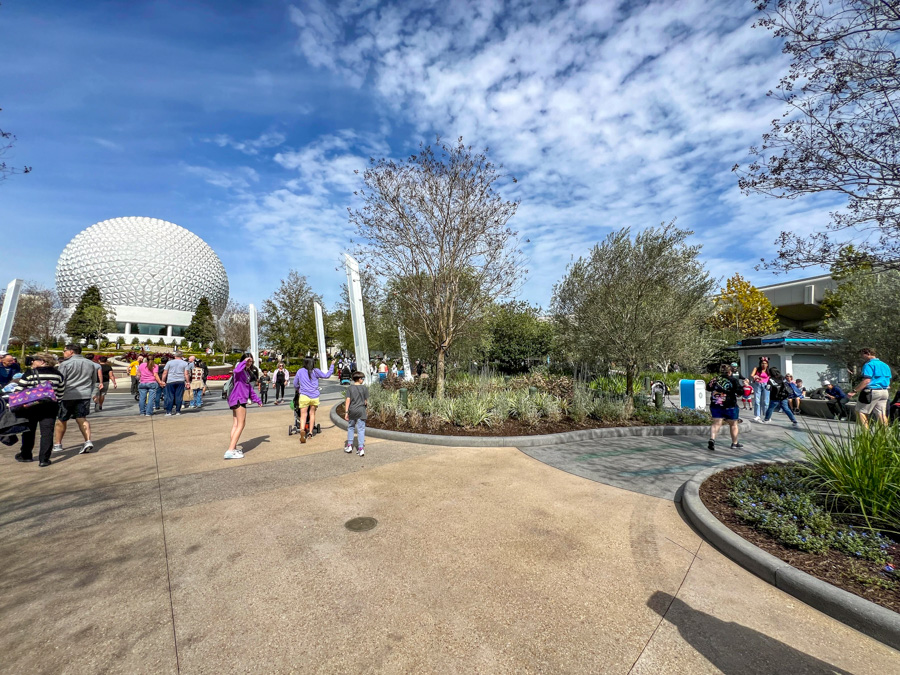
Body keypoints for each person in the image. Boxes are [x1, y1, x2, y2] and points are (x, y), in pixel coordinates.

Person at [13, 352, 65, 467]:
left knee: (29, 431)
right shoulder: (58, 374)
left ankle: (26, 455)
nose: (32, 362)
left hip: (30, 407)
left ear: (42, 361)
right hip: (50, 407)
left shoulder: (30, 373)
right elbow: (60, 393)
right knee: (47, 433)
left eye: (34, 360)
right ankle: (44, 459)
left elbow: (18, 390)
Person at [54, 344, 101, 455]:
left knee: (61, 419)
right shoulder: (91, 364)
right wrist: (92, 393)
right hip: (84, 394)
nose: (63, 353)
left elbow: (61, 381)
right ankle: (88, 440)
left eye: (64, 351)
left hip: (67, 395)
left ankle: (58, 444)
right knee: (82, 418)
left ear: (71, 352)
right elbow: (93, 380)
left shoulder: (65, 364)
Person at [224, 353, 262, 460]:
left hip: (237, 399)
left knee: (236, 424)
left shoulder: (246, 373)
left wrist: (257, 400)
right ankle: (230, 450)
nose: (249, 363)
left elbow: (249, 388)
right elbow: (236, 370)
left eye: (251, 361)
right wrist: (244, 362)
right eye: (248, 361)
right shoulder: (240, 371)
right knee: (241, 424)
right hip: (238, 399)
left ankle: (233, 448)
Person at [293, 356, 335, 443]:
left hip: (304, 395)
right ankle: (310, 433)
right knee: (312, 414)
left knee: (303, 415)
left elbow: (295, 383)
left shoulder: (300, 371)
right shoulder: (316, 371)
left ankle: (302, 431)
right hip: (314, 396)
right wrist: (332, 365)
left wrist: (298, 389)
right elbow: (326, 376)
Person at [848, 347, 892, 428]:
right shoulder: (885, 365)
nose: (862, 357)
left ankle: (865, 435)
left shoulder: (869, 365)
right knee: (881, 413)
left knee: (860, 411)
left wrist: (854, 391)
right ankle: (885, 435)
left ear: (868, 353)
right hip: (884, 391)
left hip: (872, 391)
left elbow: (867, 380)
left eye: (862, 355)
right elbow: (888, 379)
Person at [706, 364, 743, 451]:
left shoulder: (715, 379)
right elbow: (740, 391)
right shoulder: (733, 380)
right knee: (733, 424)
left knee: (716, 423)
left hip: (716, 404)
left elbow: (708, 387)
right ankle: (734, 443)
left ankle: (712, 439)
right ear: (730, 372)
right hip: (729, 405)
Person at [343, 370, 369, 456]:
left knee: (351, 427)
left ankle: (349, 445)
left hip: (352, 410)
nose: (363, 380)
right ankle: (361, 448)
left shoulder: (350, 388)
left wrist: (346, 412)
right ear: (359, 379)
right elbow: (365, 401)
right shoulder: (364, 388)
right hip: (361, 410)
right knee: (361, 429)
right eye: (363, 378)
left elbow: (347, 400)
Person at [162, 351, 190, 416]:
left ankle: (169, 411)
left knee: (170, 396)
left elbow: (165, 373)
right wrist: (188, 382)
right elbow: (186, 374)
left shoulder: (169, 362)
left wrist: (163, 381)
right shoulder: (185, 363)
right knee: (179, 396)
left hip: (171, 380)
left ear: (175, 356)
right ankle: (178, 411)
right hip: (180, 380)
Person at [750, 357, 770, 422]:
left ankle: (766, 416)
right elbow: (752, 375)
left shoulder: (769, 370)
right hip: (758, 384)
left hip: (766, 385)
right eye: (762, 363)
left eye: (765, 363)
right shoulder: (757, 369)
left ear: (767, 364)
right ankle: (757, 415)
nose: (763, 365)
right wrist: (756, 377)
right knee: (757, 401)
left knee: (766, 401)